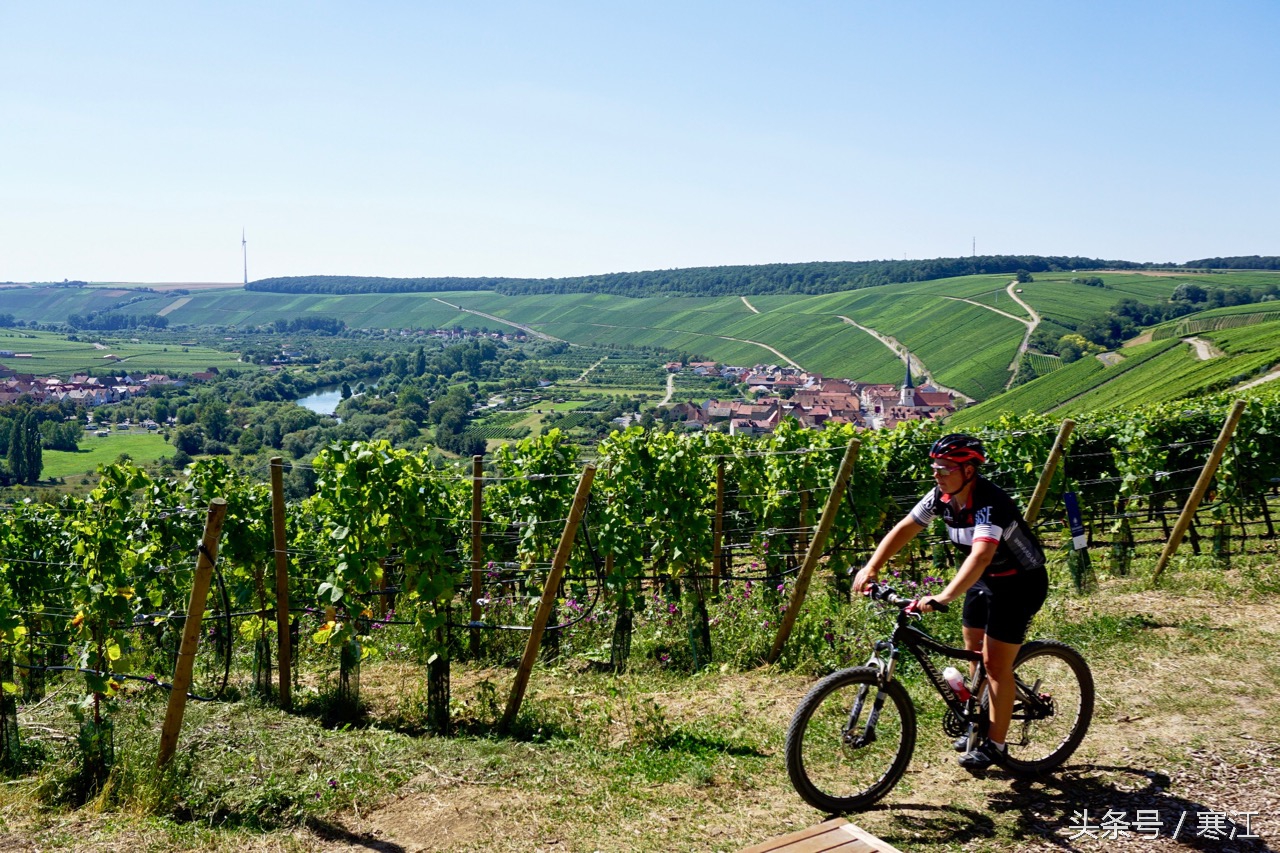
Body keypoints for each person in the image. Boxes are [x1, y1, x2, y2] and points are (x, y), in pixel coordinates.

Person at [851, 433, 1048, 771]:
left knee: (996, 665)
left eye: (944, 468)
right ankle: (981, 719)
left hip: (1020, 584)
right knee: (975, 656)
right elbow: (905, 528)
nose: (937, 474)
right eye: (935, 467)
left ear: (969, 470)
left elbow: (982, 555)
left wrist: (944, 596)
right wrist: (872, 567)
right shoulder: (941, 497)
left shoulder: (989, 503)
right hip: (985, 583)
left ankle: (996, 746)